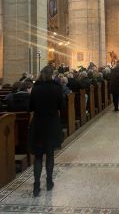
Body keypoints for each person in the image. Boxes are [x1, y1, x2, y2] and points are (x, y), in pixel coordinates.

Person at [29, 66, 64, 197]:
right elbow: (62, 106)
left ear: (42, 75)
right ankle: (49, 182)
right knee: (50, 154)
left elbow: (31, 107)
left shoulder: (36, 88)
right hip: (51, 124)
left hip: (38, 124)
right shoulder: (56, 88)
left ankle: (36, 186)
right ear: (52, 75)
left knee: (38, 156)